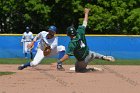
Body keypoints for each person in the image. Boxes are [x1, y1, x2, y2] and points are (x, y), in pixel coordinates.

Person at [57, 8, 115, 73]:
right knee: (92, 54)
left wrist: (60, 61)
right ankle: (103, 57)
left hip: (83, 60)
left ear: (68, 34)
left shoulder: (72, 43)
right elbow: (85, 23)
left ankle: (93, 69)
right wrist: (86, 13)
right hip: (90, 53)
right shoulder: (80, 32)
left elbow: (67, 56)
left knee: (78, 70)